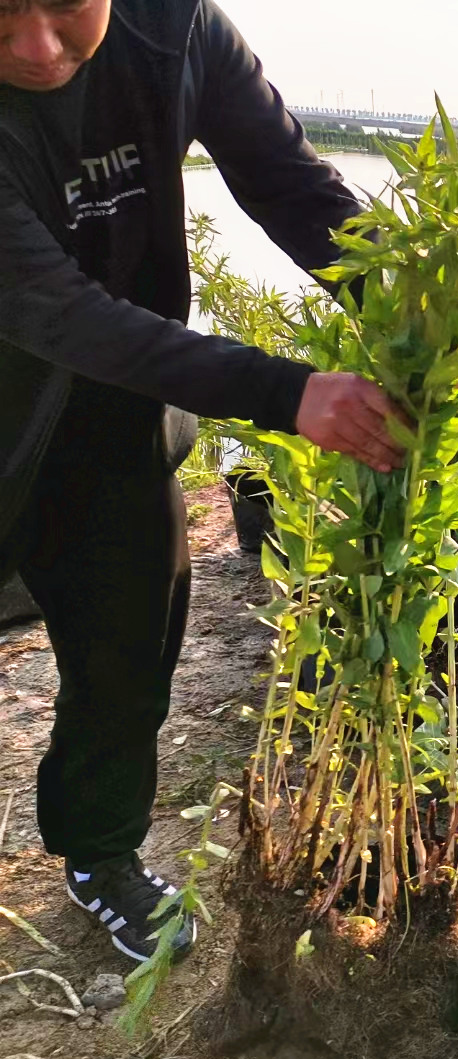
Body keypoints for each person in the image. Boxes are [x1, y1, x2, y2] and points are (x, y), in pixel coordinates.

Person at [0, 0, 405, 962]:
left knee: (128, 647)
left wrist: (402, 305)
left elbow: (292, 187)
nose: (38, 50)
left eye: (64, 8)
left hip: (119, 415)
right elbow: (66, 314)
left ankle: (99, 856)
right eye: (1, 19)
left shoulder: (173, 30)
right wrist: (289, 393)